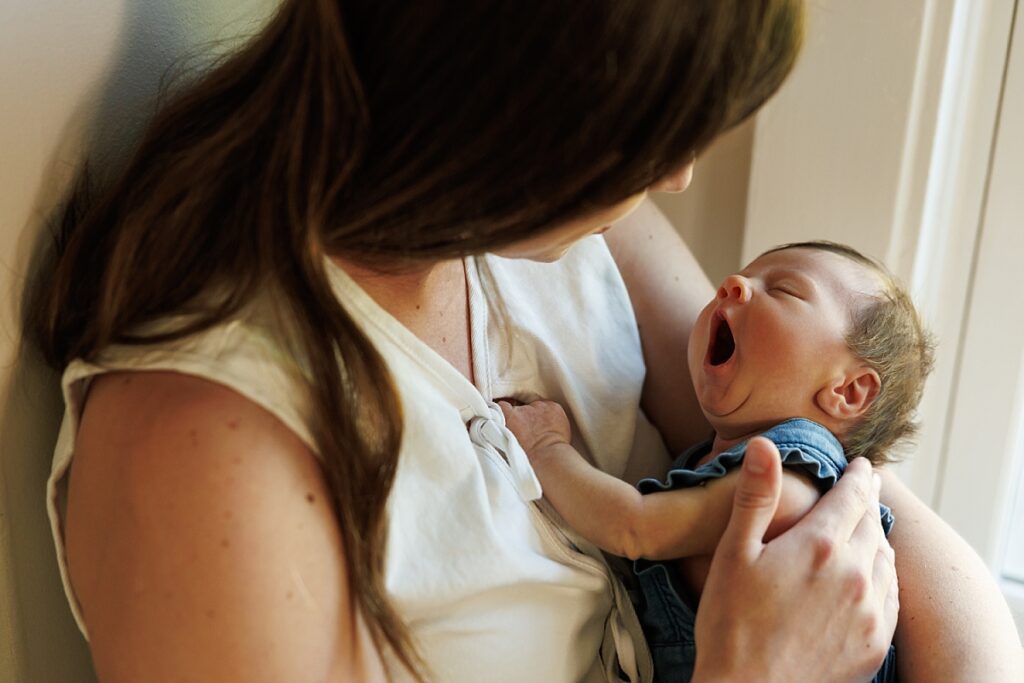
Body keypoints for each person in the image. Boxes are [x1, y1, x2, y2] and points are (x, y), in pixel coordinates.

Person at [27, 1, 1021, 682]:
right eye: (651, 134)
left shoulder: (564, 230)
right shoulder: (207, 451)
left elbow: (856, 491)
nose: (676, 177)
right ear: (512, 110)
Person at [500, 241, 936, 682]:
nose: (735, 284)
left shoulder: (783, 486)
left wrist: (546, 450)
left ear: (848, 391)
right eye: (744, 273)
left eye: (785, 290)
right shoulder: (728, 459)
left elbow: (633, 527)